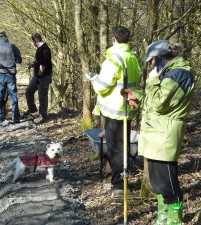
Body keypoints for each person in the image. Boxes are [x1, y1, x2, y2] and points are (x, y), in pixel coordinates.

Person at [124, 40, 194, 225]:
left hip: (165, 134)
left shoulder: (179, 74)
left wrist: (153, 80)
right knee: (157, 183)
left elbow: (159, 103)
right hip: (156, 133)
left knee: (168, 183)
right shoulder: (169, 73)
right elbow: (155, 101)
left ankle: (174, 220)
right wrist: (137, 96)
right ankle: (163, 216)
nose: (151, 65)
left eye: (152, 61)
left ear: (160, 57)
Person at [85, 26, 141, 197]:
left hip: (114, 111)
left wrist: (94, 78)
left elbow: (102, 87)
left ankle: (118, 185)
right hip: (127, 110)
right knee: (123, 146)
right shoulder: (132, 58)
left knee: (115, 149)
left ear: (113, 39)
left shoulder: (113, 59)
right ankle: (120, 181)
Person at [23, 33, 53, 124]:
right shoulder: (40, 49)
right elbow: (39, 61)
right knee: (29, 91)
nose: (32, 43)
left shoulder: (44, 49)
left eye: (32, 41)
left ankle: (43, 115)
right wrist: (33, 65)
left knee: (42, 96)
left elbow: (43, 65)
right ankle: (32, 109)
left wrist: (39, 75)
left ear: (35, 41)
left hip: (43, 77)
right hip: (38, 76)